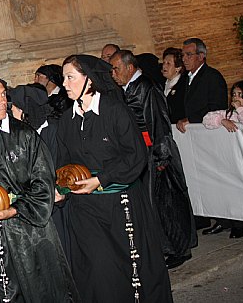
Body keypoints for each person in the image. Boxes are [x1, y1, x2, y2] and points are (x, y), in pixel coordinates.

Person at [57, 55, 172, 302]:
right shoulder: (66, 121)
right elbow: (63, 164)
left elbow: (136, 157)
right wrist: (61, 187)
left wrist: (101, 180)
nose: (65, 84)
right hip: (85, 210)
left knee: (130, 270)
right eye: (63, 78)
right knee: (97, 270)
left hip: (121, 205)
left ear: (89, 80)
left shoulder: (115, 110)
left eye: (70, 77)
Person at [0, 75, 78, 303]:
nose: (1, 101)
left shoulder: (24, 135)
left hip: (31, 231)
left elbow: (44, 182)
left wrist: (14, 209)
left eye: (3, 94)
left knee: (44, 290)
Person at [109, 50, 197, 269]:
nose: (113, 74)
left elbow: (159, 123)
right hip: (142, 154)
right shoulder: (127, 89)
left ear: (129, 68)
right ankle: (161, 247)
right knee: (152, 206)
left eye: (116, 68)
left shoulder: (147, 88)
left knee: (166, 205)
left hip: (157, 154)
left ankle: (179, 249)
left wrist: (161, 158)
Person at [201, 81, 243, 239]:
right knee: (225, 189)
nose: (236, 98)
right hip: (228, 161)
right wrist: (222, 121)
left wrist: (240, 110)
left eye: (241, 95)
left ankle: (242, 224)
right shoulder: (228, 113)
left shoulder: (242, 112)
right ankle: (224, 220)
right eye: (234, 94)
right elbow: (207, 119)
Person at [176, 37, 227, 133]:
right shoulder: (186, 77)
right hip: (193, 132)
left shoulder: (212, 76)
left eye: (189, 55)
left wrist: (191, 119)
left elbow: (217, 107)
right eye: (183, 55)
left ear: (201, 56)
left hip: (209, 131)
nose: (184, 59)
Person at [162, 48, 189, 124]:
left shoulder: (184, 85)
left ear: (178, 68)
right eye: (164, 63)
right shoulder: (160, 85)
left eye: (168, 64)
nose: (164, 66)